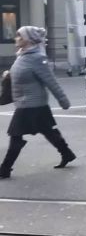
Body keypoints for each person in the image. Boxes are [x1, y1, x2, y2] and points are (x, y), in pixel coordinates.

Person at [0, 26, 75, 178]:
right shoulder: (23, 55)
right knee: (49, 132)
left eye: (19, 36)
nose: (16, 39)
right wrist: (9, 75)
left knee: (16, 136)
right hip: (26, 104)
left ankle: (5, 169)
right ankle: (67, 154)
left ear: (28, 40)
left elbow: (51, 81)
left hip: (32, 105)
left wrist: (63, 101)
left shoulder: (37, 58)